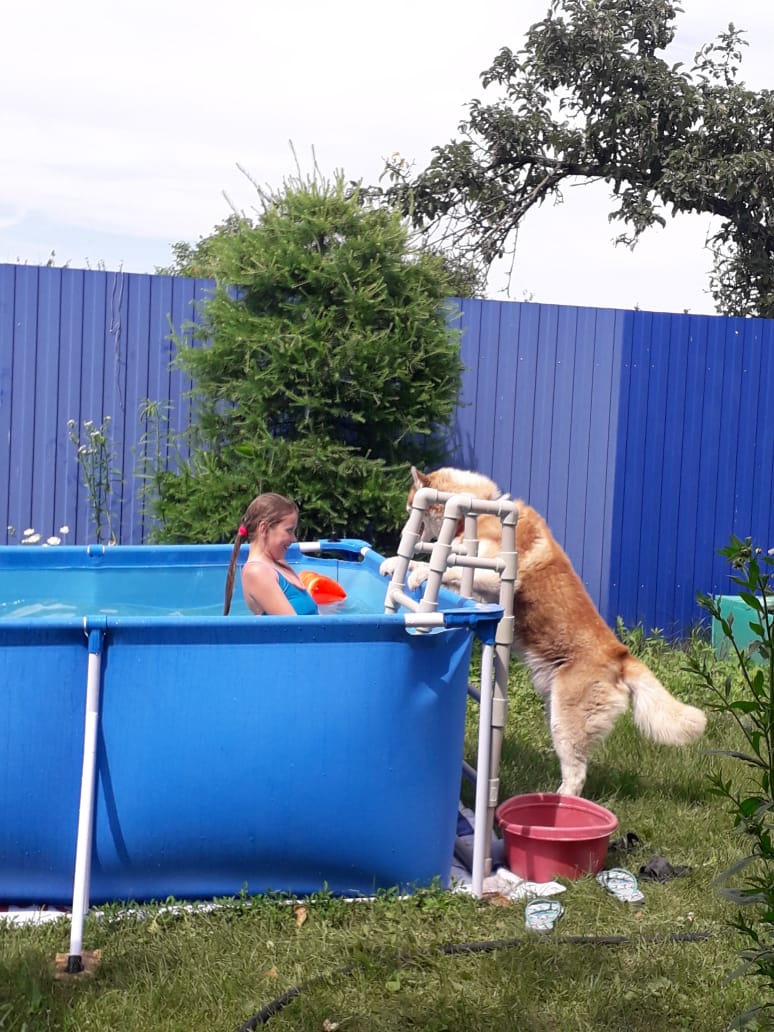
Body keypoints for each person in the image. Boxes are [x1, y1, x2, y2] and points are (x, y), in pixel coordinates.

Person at [223, 493, 318, 616]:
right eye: (289, 530)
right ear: (264, 529)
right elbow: (292, 625)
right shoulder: (256, 572)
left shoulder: (278, 564)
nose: (294, 539)